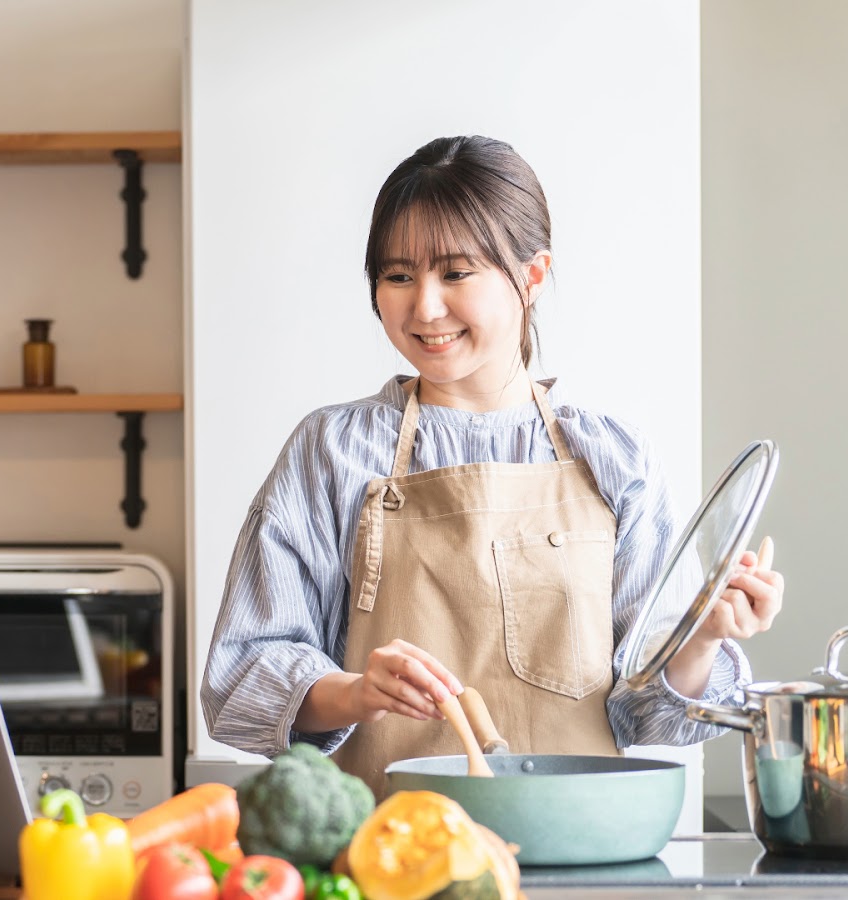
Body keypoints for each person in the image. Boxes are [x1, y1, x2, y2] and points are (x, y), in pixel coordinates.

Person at [199, 135, 785, 798]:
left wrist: (704, 636)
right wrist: (356, 692)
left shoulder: (614, 459)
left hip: (575, 850)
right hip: (390, 857)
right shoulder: (331, 450)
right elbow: (243, 675)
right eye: (397, 276)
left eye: (455, 273)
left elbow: (643, 712)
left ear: (532, 277)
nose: (423, 307)